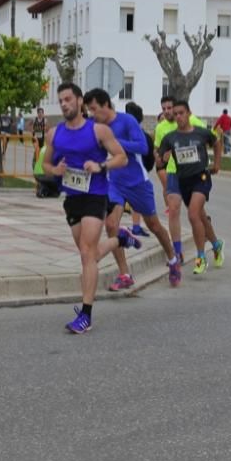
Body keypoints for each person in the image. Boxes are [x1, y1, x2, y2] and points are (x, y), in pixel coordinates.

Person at [42, 82, 140, 334]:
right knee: (91, 255)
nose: (63, 104)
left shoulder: (97, 131)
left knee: (87, 254)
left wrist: (101, 166)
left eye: (67, 99)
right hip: (72, 198)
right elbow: (45, 164)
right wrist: (56, 170)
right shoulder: (54, 133)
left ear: (79, 102)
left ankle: (85, 315)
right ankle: (120, 239)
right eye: (60, 100)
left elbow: (122, 157)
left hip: (95, 196)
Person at [84, 89, 182, 289]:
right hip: (113, 182)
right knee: (111, 224)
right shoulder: (96, 126)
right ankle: (125, 274)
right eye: (89, 110)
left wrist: (115, 143)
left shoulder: (126, 121)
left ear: (106, 105)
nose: (93, 114)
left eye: (94, 109)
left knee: (154, 225)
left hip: (137, 182)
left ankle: (173, 259)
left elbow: (143, 147)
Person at [157, 100, 224, 276]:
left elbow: (216, 142)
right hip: (182, 180)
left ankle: (201, 257)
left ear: (188, 114)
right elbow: (158, 160)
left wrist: (217, 164)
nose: (178, 116)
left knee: (193, 214)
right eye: (176, 113)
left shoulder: (201, 133)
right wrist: (163, 159)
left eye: (181, 113)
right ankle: (216, 244)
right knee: (200, 216)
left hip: (201, 178)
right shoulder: (170, 138)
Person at [154, 95, 209, 264]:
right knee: (174, 210)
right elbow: (157, 152)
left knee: (197, 214)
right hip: (173, 173)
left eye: (169, 108)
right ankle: (178, 252)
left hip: (194, 174)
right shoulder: (161, 127)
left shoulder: (195, 122)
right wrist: (161, 158)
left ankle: (211, 240)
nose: (167, 112)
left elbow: (207, 141)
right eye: (163, 109)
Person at [125, 101, 154, 237]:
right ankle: (135, 227)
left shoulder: (120, 135)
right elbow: (149, 158)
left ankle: (133, 226)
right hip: (138, 175)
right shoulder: (145, 137)